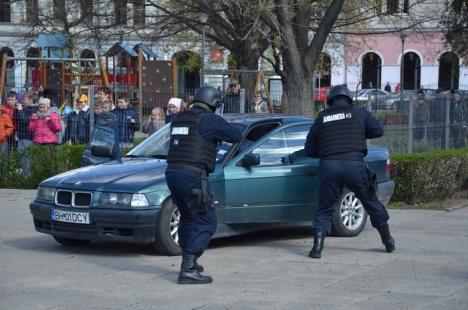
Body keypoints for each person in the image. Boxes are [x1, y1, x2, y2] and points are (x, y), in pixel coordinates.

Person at [304, 84, 395, 259]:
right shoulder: (358, 112)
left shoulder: (321, 117)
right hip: (354, 165)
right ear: (348, 98)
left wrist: (326, 151)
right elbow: (378, 130)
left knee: (325, 207)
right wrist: (360, 132)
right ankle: (388, 241)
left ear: (330, 100)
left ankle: (317, 248)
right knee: (370, 202)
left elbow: (309, 150)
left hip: (329, 166)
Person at [165, 86, 242, 284]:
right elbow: (235, 135)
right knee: (207, 221)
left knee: (189, 218)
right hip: (193, 176)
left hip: (172, 174)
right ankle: (189, 268)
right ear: (214, 103)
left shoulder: (180, 118)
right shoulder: (209, 120)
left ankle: (188, 262)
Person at [13, 92, 38, 175]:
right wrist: (17, 110)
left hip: (28, 137)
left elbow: (25, 121)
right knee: (22, 157)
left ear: (31, 100)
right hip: (21, 136)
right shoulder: (24, 109)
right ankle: (25, 176)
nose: (23, 101)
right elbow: (16, 120)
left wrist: (20, 111)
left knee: (27, 157)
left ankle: (28, 176)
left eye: (25, 99)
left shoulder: (34, 110)